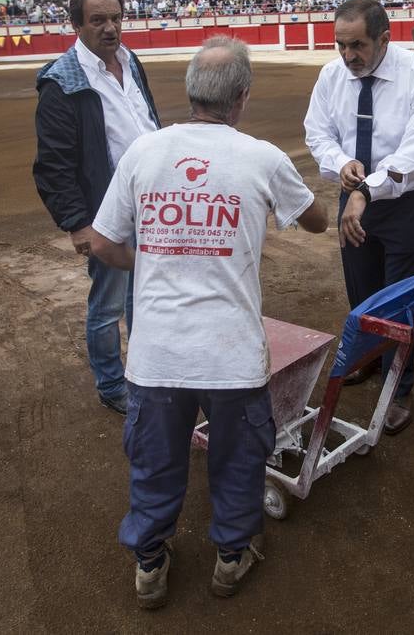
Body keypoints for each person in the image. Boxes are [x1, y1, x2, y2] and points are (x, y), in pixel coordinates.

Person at [90, 36, 327, 609]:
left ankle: (150, 564)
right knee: (238, 461)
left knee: (155, 462)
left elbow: (101, 242)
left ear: (190, 92)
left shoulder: (144, 152)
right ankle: (230, 555)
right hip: (231, 354)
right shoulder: (263, 157)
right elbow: (317, 220)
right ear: (242, 97)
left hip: (157, 355)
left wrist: (153, 257)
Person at [303, 0, 414, 435]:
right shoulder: (331, 75)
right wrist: (342, 163)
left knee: (402, 298)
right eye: (340, 45)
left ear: (385, 38)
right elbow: (317, 133)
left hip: (405, 203)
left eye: (357, 45)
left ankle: (399, 387)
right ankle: (366, 358)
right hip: (355, 195)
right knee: (362, 289)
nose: (347, 56)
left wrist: (367, 189)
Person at [33, 0, 160, 414]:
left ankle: (145, 372)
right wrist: (78, 224)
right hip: (107, 214)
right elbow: (53, 165)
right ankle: (111, 385)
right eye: (98, 20)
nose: (110, 28)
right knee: (107, 305)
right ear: (77, 25)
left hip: (152, 205)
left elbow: (149, 123)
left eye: (116, 18)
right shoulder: (61, 82)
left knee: (144, 295)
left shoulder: (131, 60)